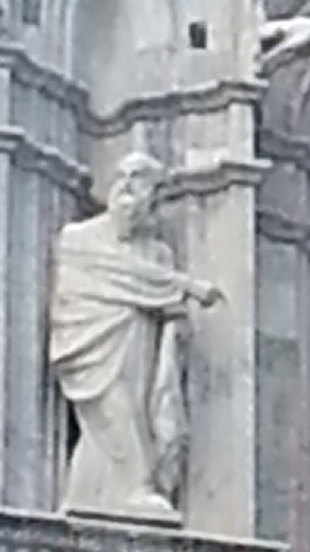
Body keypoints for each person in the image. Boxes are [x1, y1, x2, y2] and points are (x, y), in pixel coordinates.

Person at [50, 152, 219, 523]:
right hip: (91, 339)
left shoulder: (158, 252)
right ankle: (136, 488)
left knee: (130, 415)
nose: (128, 189)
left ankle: (97, 493)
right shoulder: (79, 237)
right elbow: (109, 273)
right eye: (123, 179)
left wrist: (174, 313)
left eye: (141, 183)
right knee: (112, 409)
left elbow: (154, 287)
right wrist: (187, 286)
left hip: (139, 343)